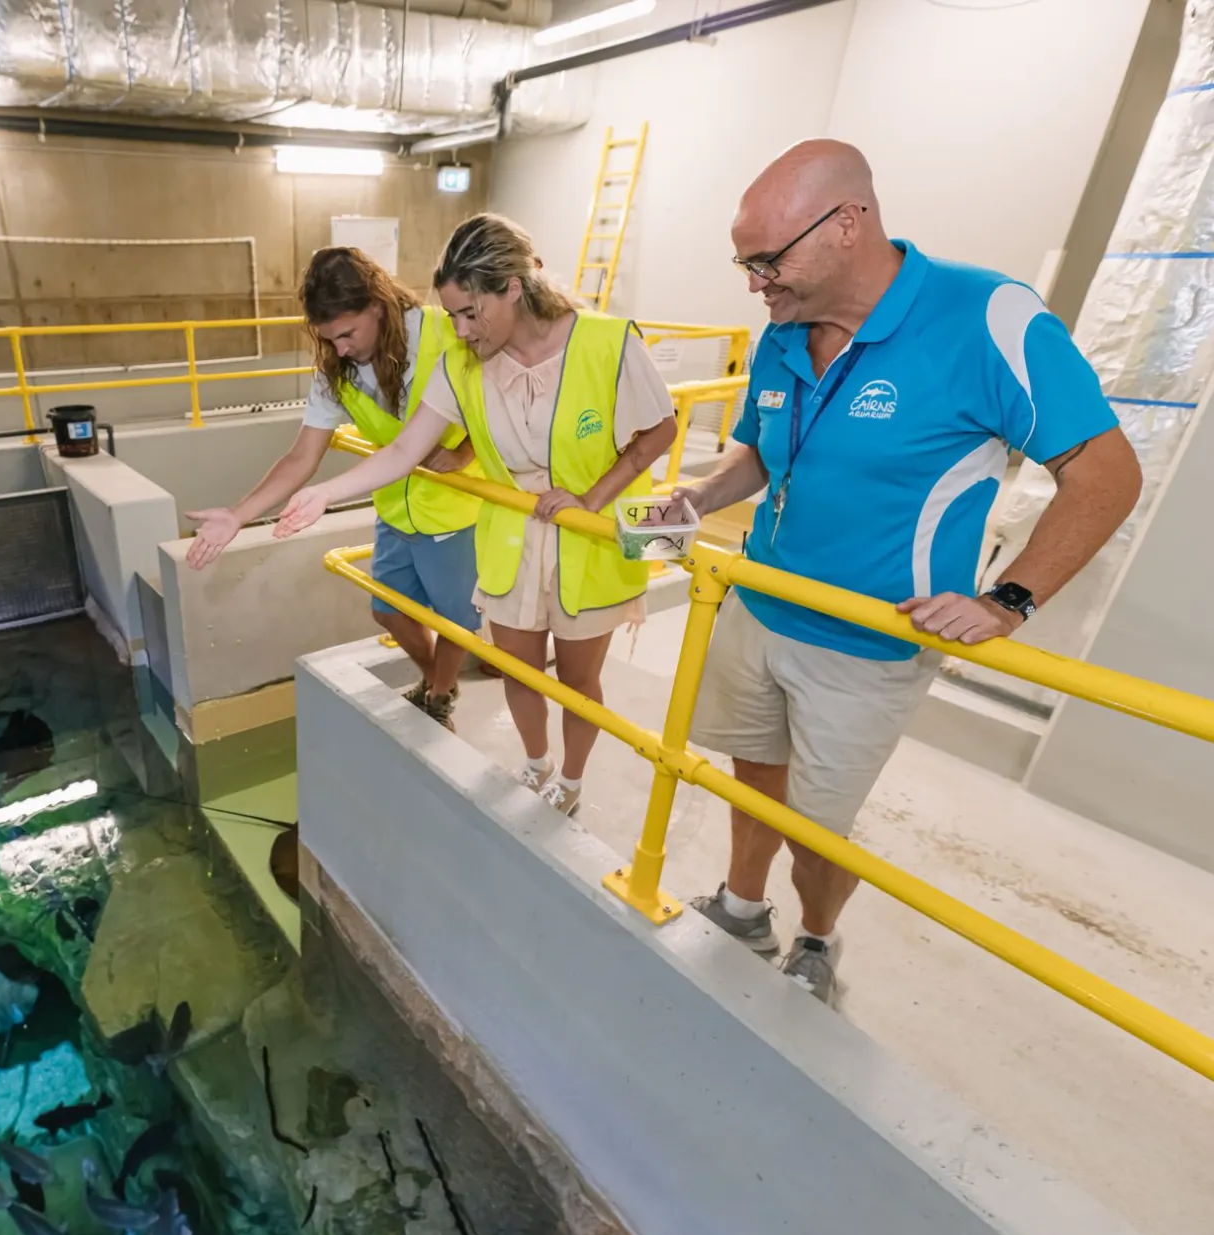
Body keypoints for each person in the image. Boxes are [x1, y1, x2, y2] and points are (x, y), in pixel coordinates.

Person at [675, 140, 1142, 1005]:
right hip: (760, 603)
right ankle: (744, 906)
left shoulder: (986, 318)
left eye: (768, 260)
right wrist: (700, 496)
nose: (756, 281)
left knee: (818, 834)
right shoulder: (781, 331)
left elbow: (1107, 475)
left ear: (848, 223)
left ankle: (815, 935)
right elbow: (764, 451)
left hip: (868, 644)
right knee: (753, 778)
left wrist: (1009, 599)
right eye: (746, 262)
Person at [274, 214, 679, 816]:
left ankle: (570, 779)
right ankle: (536, 762)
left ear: (512, 288)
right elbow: (408, 450)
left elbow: (660, 429)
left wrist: (592, 499)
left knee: (577, 681)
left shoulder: (608, 340)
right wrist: (323, 495)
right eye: (453, 314)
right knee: (518, 669)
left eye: (470, 313)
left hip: (587, 538)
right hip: (512, 532)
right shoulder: (462, 362)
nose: (460, 330)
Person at [183, 247, 482, 729]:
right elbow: (302, 456)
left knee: (455, 619)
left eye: (347, 333)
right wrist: (238, 515)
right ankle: (435, 681)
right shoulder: (336, 372)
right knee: (387, 609)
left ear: (378, 306)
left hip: (455, 508)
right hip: (396, 505)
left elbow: (493, 402)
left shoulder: (446, 332)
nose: (339, 347)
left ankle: (440, 694)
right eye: (329, 337)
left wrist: (466, 450)